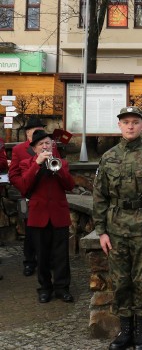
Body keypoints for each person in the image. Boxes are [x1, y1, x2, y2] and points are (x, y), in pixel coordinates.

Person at [93, 106, 142, 350]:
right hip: (116, 231)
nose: (130, 126)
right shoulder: (108, 158)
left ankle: (141, 332)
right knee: (120, 281)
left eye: (134, 122)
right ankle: (124, 332)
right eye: (125, 122)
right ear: (119, 126)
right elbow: (99, 196)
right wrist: (101, 231)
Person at [18, 129, 75, 304]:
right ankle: (45, 288)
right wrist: (37, 164)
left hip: (58, 215)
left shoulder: (61, 163)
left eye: (48, 143)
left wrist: (58, 170)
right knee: (41, 256)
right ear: (34, 149)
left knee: (61, 255)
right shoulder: (27, 164)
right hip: (38, 215)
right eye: (41, 144)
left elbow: (70, 185)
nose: (45, 146)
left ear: (53, 146)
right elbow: (24, 186)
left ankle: (62, 288)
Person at [9, 117, 61, 277]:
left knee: (49, 233)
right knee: (31, 231)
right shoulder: (19, 149)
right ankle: (29, 262)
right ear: (27, 134)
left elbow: (58, 165)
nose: (39, 133)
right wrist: (24, 187)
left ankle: (48, 262)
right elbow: (14, 174)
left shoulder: (50, 146)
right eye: (34, 131)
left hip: (48, 196)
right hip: (30, 196)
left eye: (41, 130)